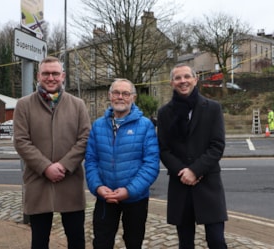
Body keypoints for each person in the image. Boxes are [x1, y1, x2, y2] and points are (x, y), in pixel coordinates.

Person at [13, 56, 91, 249]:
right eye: (46, 73)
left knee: (76, 240)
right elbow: (21, 141)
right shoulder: (24, 105)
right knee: (39, 241)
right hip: (38, 182)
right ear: (38, 76)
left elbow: (85, 139)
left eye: (55, 73)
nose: (51, 77)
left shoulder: (78, 105)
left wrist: (64, 166)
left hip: (70, 182)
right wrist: (45, 167)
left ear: (63, 76)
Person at [157, 63, 228, 249]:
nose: (183, 81)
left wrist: (195, 170)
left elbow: (217, 145)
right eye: (178, 78)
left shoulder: (212, 108)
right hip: (181, 185)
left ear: (195, 80)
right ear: (172, 82)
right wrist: (182, 171)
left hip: (207, 183)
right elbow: (163, 149)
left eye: (187, 77)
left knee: (217, 240)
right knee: (185, 243)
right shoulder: (164, 113)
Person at [84, 78, 160, 249]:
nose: (120, 97)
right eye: (116, 93)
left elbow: (151, 164)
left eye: (125, 93)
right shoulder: (98, 126)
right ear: (110, 96)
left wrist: (129, 190)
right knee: (101, 242)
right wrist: (97, 187)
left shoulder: (145, 126)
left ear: (133, 97)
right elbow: (91, 160)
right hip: (105, 197)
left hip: (135, 198)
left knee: (134, 243)